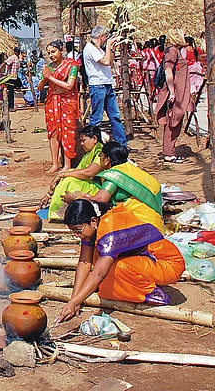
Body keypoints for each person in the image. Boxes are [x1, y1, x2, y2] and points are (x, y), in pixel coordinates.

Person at [55, 199, 185, 324]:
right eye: (73, 232)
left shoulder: (109, 232)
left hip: (168, 264)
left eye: (78, 230)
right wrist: (75, 299)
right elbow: (84, 262)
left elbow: (98, 274)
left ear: (93, 221)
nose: (77, 235)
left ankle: (150, 293)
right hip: (142, 260)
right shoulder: (91, 230)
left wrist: (74, 303)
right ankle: (135, 284)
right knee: (100, 260)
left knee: (118, 268)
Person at [63, 141, 164, 231]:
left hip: (140, 223)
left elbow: (99, 202)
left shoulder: (115, 175)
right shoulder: (132, 170)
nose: (99, 159)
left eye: (100, 155)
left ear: (107, 160)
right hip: (155, 222)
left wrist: (74, 199)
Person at [41, 125, 104, 221]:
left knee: (69, 179)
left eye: (84, 140)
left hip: (98, 188)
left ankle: (65, 212)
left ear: (94, 139)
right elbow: (76, 172)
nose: (82, 144)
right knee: (69, 175)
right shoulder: (88, 154)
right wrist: (49, 194)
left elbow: (89, 172)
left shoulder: (101, 152)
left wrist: (62, 174)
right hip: (89, 183)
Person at [38, 39, 79, 173]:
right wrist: (45, 78)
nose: (51, 55)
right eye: (49, 53)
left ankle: (67, 164)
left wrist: (50, 78)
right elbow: (39, 88)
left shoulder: (72, 65)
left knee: (68, 131)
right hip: (52, 102)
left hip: (67, 103)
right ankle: (55, 164)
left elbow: (69, 86)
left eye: (54, 51)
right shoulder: (49, 67)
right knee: (53, 132)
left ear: (62, 50)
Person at [83, 25, 127, 145]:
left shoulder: (99, 49)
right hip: (98, 86)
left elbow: (110, 62)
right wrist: (108, 46)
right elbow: (106, 61)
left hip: (107, 84)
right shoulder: (90, 48)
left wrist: (111, 48)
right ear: (101, 36)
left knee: (115, 117)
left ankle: (121, 144)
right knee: (96, 118)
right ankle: (92, 144)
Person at [155, 35, 193, 163]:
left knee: (175, 121)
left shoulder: (174, 50)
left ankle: (170, 151)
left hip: (178, 91)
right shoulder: (172, 51)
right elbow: (168, 71)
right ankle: (169, 153)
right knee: (173, 120)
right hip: (175, 92)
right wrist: (172, 92)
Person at [0, 47, 22, 111]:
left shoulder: (17, 58)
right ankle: (11, 107)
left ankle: (11, 104)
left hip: (15, 77)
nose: (18, 52)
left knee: (20, 84)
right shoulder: (12, 57)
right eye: (17, 51)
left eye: (19, 51)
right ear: (15, 52)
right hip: (10, 77)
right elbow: (5, 63)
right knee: (11, 92)